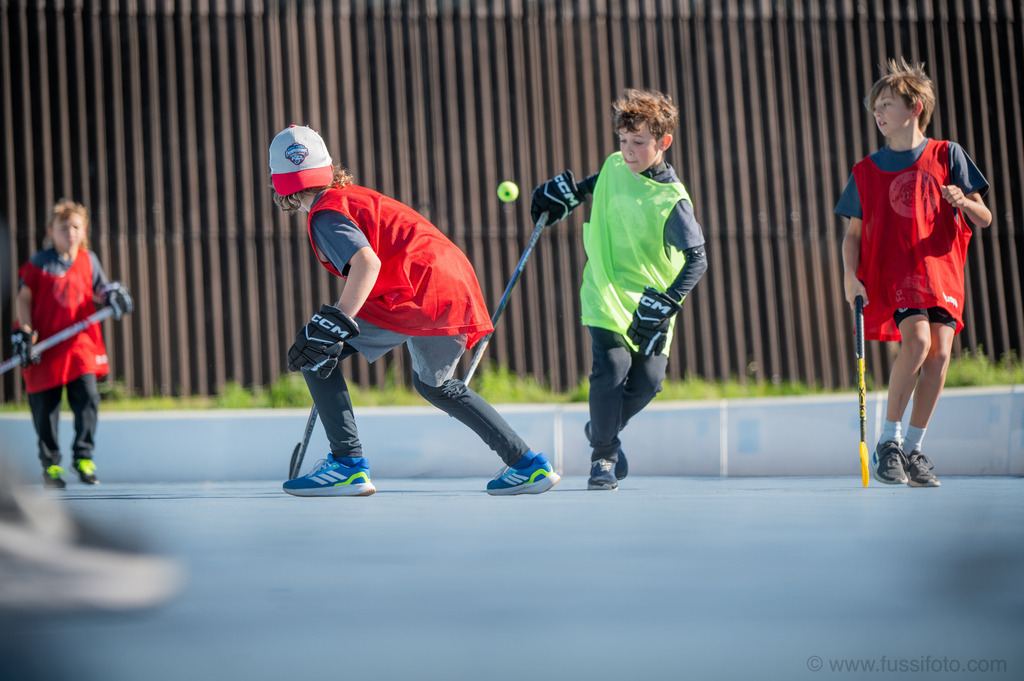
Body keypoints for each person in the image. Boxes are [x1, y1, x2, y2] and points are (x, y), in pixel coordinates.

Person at [268, 125, 559, 497]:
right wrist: (338, 324)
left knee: (316, 352)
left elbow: (366, 264)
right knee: (434, 385)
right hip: (447, 285)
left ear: (279, 185)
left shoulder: (325, 213)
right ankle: (528, 465)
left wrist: (336, 323)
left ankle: (346, 463)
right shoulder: (352, 197)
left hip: (416, 292)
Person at [530, 88, 708, 490]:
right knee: (609, 371)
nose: (628, 151)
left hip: (649, 303)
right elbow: (589, 187)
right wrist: (564, 198)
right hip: (603, 289)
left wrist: (666, 304)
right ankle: (603, 458)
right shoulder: (614, 166)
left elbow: (698, 259)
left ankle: (601, 427)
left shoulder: (672, 201)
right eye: (623, 141)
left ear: (664, 142)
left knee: (649, 382)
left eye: (639, 143)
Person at [836, 58, 991, 487]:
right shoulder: (865, 171)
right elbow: (853, 235)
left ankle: (915, 448)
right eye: (875, 108)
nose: (878, 114)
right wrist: (850, 277)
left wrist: (964, 201)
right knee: (918, 340)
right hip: (897, 273)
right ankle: (889, 441)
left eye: (886, 104)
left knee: (940, 354)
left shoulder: (948, 154)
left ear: (915, 107)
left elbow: (985, 217)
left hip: (942, 271)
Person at [13, 199, 133, 489]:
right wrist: (26, 332)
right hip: (44, 347)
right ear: (50, 231)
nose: (70, 232)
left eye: (76, 227)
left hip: (79, 345)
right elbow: (23, 300)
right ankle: (51, 465)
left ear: (84, 231)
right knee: (45, 409)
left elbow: (101, 290)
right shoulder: (38, 263)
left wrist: (112, 294)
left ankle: (83, 457)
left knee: (88, 398)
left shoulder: (88, 260)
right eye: (63, 227)